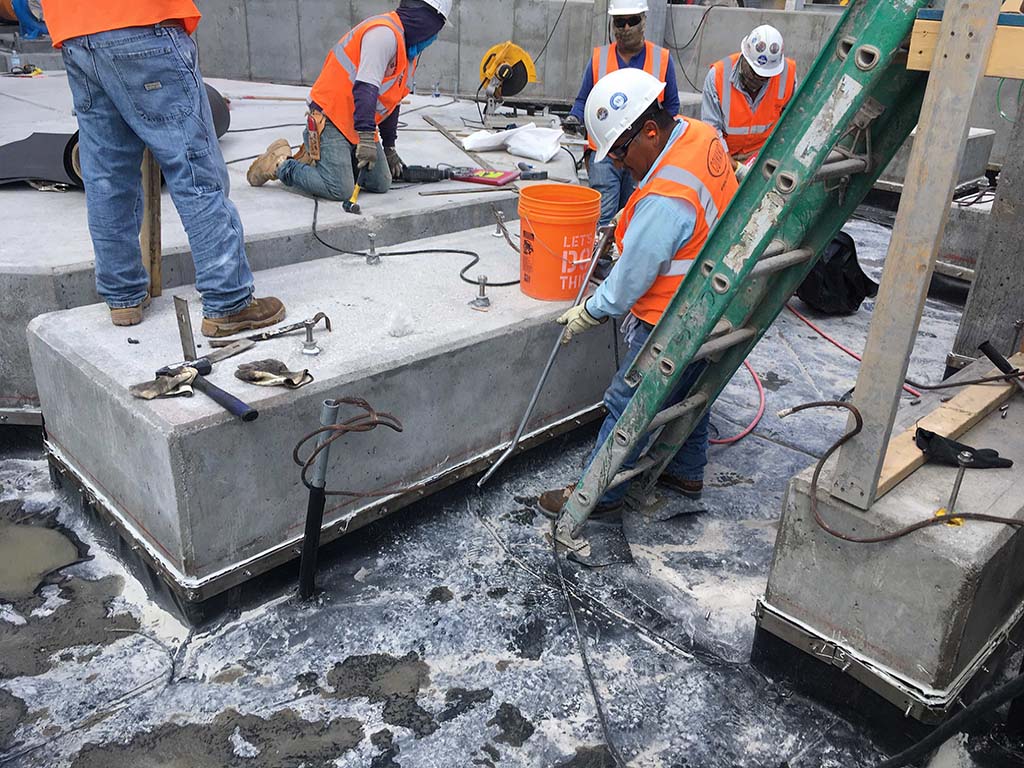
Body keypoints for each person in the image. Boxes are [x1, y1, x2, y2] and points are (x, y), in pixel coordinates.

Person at [539, 68, 738, 520]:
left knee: (626, 403)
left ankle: (597, 496)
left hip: (673, 315)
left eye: (620, 151)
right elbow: (664, 187)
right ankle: (687, 472)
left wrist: (591, 311)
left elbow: (632, 278)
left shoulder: (667, 200)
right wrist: (627, 218)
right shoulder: (699, 135)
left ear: (650, 130)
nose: (616, 164)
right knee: (689, 390)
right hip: (712, 301)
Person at [40, 0, 285, 337]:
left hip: (76, 33)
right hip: (141, 22)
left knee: (107, 176)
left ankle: (123, 295)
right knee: (194, 169)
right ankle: (228, 300)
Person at [247, 0, 450, 201]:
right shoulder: (383, 35)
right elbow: (366, 88)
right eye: (436, 27)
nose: (435, 36)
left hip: (357, 121)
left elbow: (392, 101)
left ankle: (324, 162)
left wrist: (389, 147)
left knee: (381, 182)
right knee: (339, 189)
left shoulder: (409, 53)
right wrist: (366, 138)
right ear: (424, 18)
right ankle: (281, 163)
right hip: (331, 116)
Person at [563, 0, 679, 227]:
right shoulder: (599, 58)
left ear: (643, 22)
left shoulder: (662, 59)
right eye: (620, 22)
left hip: (644, 152)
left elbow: (672, 107)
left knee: (634, 215)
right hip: (606, 152)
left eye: (632, 21)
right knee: (604, 217)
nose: (626, 28)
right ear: (612, 25)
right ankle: (601, 251)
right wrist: (575, 117)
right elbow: (583, 99)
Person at [701, 24, 796, 168]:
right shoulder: (717, 76)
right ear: (744, 57)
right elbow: (711, 131)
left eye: (765, 76)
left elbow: (791, 124)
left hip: (764, 156)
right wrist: (735, 167)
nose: (758, 79)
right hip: (724, 155)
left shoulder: (787, 76)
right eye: (754, 73)